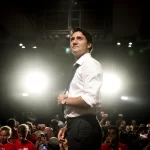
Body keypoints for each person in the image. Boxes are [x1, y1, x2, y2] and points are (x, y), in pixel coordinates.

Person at [57, 27, 103, 150]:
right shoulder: (79, 66)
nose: (74, 41)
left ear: (89, 44)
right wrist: (67, 126)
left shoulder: (90, 64)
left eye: (79, 38)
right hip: (77, 125)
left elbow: (90, 99)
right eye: (72, 39)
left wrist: (64, 100)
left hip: (84, 126)